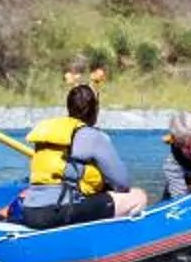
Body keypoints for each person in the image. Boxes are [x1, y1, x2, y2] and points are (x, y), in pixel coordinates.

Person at [8, 83, 146, 228]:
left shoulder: (52, 132)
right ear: (95, 110)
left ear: (69, 108)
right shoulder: (93, 136)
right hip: (59, 212)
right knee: (138, 196)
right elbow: (122, 184)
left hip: (31, 211)